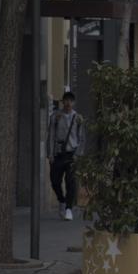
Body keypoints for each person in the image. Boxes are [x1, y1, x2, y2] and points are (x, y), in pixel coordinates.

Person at [47, 91, 85, 221]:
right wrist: (50, 154)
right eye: (66, 100)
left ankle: (69, 208)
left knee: (71, 182)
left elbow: (81, 138)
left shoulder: (78, 118)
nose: (68, 103)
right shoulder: (55, 116)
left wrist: (78, 155)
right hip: (58, 154)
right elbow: (51, 135)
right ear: (63, 102)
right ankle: (61, 200)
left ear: (73, 103)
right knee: (54, 181)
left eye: (70, 101)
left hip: (72, 154)